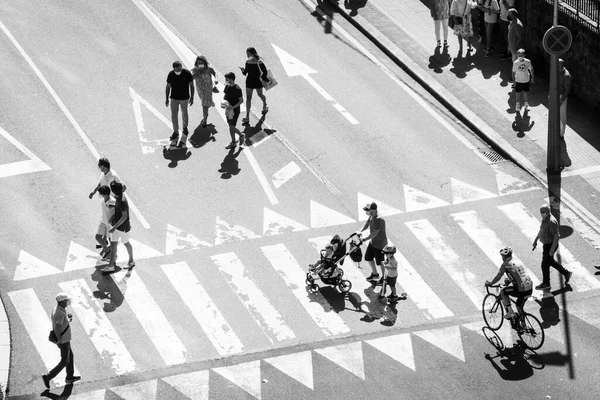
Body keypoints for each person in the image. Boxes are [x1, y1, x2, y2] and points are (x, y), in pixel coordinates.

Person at [42, 293, 81, 388]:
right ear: (62, 302)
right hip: (63, 341)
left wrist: (68, 318)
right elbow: (59, 327)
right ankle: (48, 377)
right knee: (65, 361)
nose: (68, 302)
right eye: (66, 301)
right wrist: (59, 340)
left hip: (65, 339)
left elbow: (60, 323)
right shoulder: (60, 314)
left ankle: (70, 376)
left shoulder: (58, 309)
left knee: (70, 357)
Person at [532, 205, 573, 290]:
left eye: (543, 212)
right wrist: (535, 240)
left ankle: (546, 283)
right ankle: (566, 273)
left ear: (547, 212)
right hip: (546, 245)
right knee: (551, 262)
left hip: (550, 245)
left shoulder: (551, 222)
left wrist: (551, 249)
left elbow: (557, 236)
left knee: (544, 265)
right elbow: (541, 230)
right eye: (541, 212)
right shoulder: (545, 220)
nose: (542, 214)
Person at [485, 247, 533, 319]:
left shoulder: (505, 264)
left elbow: (498, 276)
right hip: (529, 287)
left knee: (503, 291)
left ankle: (510, 312)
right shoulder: (516, 261)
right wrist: (509, 280)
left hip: (521, 290)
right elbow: (518, 274)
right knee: (519, 306)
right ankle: (522, 323)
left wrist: (491, 283)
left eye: (502, 256)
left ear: (503, 256)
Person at [101, 181, 135, 273]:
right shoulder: (119, 196)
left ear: (114, 191)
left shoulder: (122, 201)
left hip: (123, 228)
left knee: (126, 243)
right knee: (113, 244)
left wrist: (114, 227)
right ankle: (111, 266)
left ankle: (131, 261)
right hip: (117, 226)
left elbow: (124, 216)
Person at [359, 202, 388, 285]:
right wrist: (360, 231)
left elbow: (375, 233)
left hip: (380, 245)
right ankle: (375, 274)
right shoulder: (372, 216)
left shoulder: (379, 219)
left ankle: (384, 279)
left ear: (374, 210)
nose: (367, 212)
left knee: (381, 262)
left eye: (368, 210)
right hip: (373, 242)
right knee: (368, 257)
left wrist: (364, 239)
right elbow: (367, 224)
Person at [165, 61, 194, 143]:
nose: (178, 71)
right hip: (174, 98)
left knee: (184, 113)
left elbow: (191, 85)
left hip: (184, 98)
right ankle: (175, 131)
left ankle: (185, 127)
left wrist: (192, 97)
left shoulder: (187, 73)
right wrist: (167, 98)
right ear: (173, 68)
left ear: (181, 66)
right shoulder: (171, 74)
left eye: (179, 69)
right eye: (176, 70)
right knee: (174, 115)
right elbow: (168, 86)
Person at [239, 47, 269, 125]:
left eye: (248, 54)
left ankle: (247, 117)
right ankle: (265, 106)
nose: (247, 55)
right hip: (258, 82)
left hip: (249, 82)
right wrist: (264, 78)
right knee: (260, 95)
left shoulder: (248, 62)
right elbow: (265, 72)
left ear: (252, 54)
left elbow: (245, 72)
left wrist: (242, 70)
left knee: (249, 98)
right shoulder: (260, 62)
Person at [191, 55, 216, 128]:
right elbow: (192, 78)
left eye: (201, 62)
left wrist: (215, 83)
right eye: (199, 63)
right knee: (205, 105)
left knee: (206, 105)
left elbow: (214, 75)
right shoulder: (196, 70)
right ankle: (205, 119)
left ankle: (205, 119)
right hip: (201, 91)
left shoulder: (209, 69)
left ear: (204, 63)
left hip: (208, 90)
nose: (200, 64)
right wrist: (198, 71)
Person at [223, 72, 245, 149]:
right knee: (230, 126)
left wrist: (232, 107)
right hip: (228, 109)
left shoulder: (237, 89)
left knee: (232, 127)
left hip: (234, 111)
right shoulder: (227, 87)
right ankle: (233, 142)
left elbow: (241, 101)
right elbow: (225, 96)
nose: (226, 81)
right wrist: (224, 103)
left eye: (227, 79)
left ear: (231, 80)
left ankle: (241, 135)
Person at [95, 185, 115, 260]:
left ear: (105, 194)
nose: (100, 195)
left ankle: (114, 255)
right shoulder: (102, 200)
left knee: (112, 241)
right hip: (103, 222)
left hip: (110, 225)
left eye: (101, 193)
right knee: (98, 237)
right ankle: (107, 249)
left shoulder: (113, 202)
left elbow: (116, 214)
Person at [558, 59, 571, 138]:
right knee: (555, 115)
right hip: (555, 95)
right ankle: (557, 131)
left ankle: (561, 133)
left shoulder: (566, 75)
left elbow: (567, 90)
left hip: (561, 96)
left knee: (562, 115)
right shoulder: (556, 72)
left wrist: (561, 100)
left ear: (561, 65)